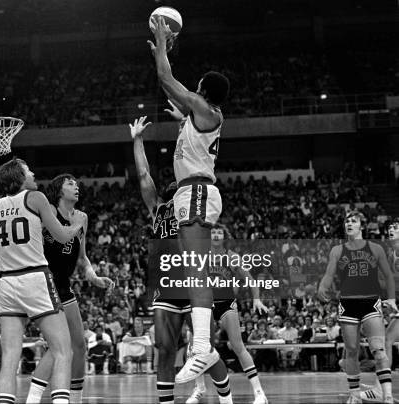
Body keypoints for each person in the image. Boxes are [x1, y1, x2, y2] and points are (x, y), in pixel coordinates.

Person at [148, 16, 231, 384]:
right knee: (193, 265)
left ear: (202, 91)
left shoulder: (205, 109)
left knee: (195, 266)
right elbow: (178, 95)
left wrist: (163, 43)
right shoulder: (204, 114)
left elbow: (166, 80)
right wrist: (182, 116)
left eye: (196, 89)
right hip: (192, 193)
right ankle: (202, 348)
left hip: (197, 192)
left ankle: (201, 348)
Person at [130, 117, 233, 404]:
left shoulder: (195, 205)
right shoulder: (159, 209)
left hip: (193, 281)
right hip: (166, 282)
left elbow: (190, 153)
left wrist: (182, 126)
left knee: (207, 350)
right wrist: (137, 140)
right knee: (164, 347)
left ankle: (227, 400)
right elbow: (143, 176)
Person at [0, 158, 86, 404]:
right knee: (63, 350)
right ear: (19, 177)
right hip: (34, 277)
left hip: (6, 281)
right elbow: (64, 236)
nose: (33, 173)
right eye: (27, 170)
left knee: (10, 356)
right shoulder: (36, 198)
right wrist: (76, 225)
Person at [26, 173, 114, 404]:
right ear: (59, 190)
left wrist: (94, 278)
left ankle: (75, 398)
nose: (76, 187)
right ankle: (34, 398)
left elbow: (82, 257)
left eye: (76, 184)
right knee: (60, 345)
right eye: (70, 184)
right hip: (44, 282)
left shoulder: (82, 217)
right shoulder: (49, 212)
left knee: (79, 345)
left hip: (63, 284)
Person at [318, 211, 396, 403]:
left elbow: (388, 276)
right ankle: (354, 395)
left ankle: (386, 395)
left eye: (353, 221)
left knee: (379, 349)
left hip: (370, 302)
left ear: (361, 226)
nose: (349, 223)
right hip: (348, 303)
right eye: (347, 221)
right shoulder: (337, 250)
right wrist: (323, 286)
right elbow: (329, 274)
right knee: (351, 350)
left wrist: (392, 299)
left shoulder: (375, 248)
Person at [190, 225, 268, 404]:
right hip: (206, 304)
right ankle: (199, 388)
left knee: (238, 346)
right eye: (213, 232)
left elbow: (249, 279)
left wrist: (256, 299)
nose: (216, 235)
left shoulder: (232, 257)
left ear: (224, 237)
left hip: (226, 304)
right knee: (195, 344)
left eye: (219, 232)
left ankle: (259, 393)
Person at [361, 217, 399, 402]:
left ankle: (380, 389)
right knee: (387, 340)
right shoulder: (392, 252)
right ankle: (381, 387)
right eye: (390, 227)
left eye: (396, 227)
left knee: (387, 340)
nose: (392, 230)